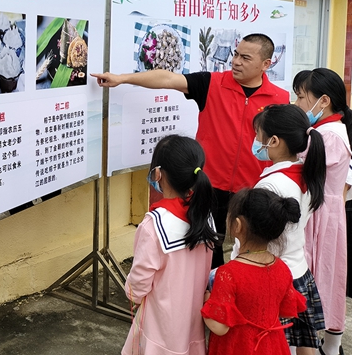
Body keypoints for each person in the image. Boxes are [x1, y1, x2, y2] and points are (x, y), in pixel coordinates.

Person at [92, 33, 289, 268]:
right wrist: (122, 79)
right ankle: (207, 285)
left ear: (266, 64)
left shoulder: (280, 99)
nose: (236, 61)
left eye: (245, 58)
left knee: (251, 248)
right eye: (236, 54)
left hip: (253, 188)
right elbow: (167, 78)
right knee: (208, 245)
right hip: (208, 184)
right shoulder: (212, 83)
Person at [122, 135, 218, 355]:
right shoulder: (205, 215)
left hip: (159, 328)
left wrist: (133, 295)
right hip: (192, 324)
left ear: (158, 173)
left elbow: (140, 280)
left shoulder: (154, 225)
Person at [293, 68, 352, 355]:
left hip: (318, 216)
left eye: (301, 97)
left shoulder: (326, 136)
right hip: (326, 213)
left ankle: (318, 344)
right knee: (326, 275)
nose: (296, 103)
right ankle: (329, 346)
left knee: (313, 277)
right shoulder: (330, 130)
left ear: (323, 101)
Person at [249, 104, 326, 355]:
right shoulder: (307, 173)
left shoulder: (271, 185)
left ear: (273, 141)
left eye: (258, 134)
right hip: (299, 271)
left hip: (272, 276)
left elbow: (254, 238)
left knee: (275, 345)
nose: (255, 140)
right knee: (304, 343)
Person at [202, 188, 306, 355]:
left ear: (238, 225)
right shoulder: (282, 268)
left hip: (238, 346)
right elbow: (286, 310)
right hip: (272, 345)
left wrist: (207, 302)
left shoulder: (228, 274)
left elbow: (219, 327)